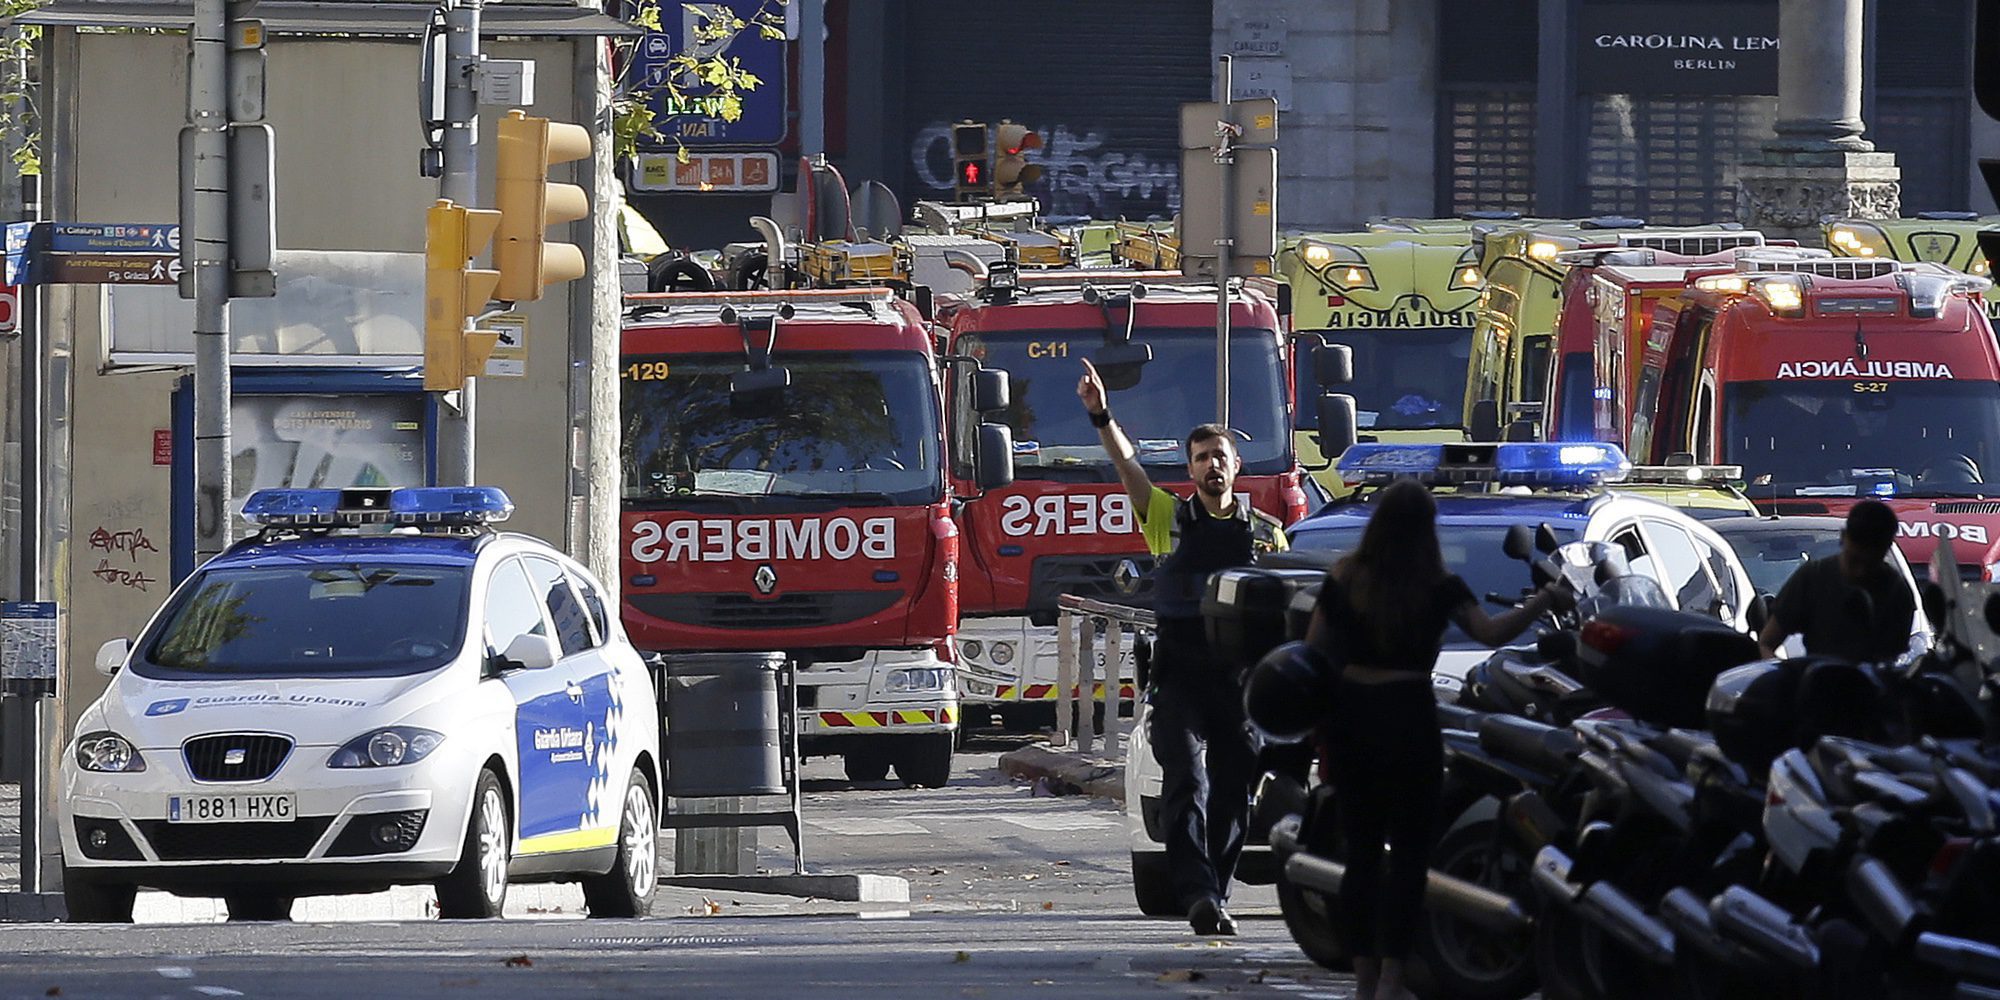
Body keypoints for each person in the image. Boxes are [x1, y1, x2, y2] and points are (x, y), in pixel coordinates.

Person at [1304, 479, 1569, 1000]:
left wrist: (1319, 720)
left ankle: (1362, 978)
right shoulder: (1440, 585)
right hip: (1411, 720)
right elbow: (1491, 633)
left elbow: (1313, 650)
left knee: (1359, 857)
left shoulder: (1346, 578)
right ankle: (1392, 979)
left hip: (1355, 720)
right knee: (1408, 859)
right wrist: (1543, 601)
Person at [1078, 358, 1285, 937]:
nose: (1211, 465)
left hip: (1240, 684)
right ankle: (1196, 893)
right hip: (1181, 680)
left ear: (1236, 465)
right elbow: (1126, 464)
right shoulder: (1166, 518)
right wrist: (1101, 414)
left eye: (1220, 455)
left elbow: (1285, 606)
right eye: (1201, 458)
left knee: (1233, 792)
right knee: (1187, 783)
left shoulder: (1267, 534)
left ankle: (1216, 891)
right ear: (1190, 469)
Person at [1758, 499, 1916, 663]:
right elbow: (1767, 642)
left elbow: (1892, 659)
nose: (1860, 572)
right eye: (1854, 560)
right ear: (1843, 538)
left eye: (1871, 563)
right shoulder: (1812, 577)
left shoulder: (1897, 591)